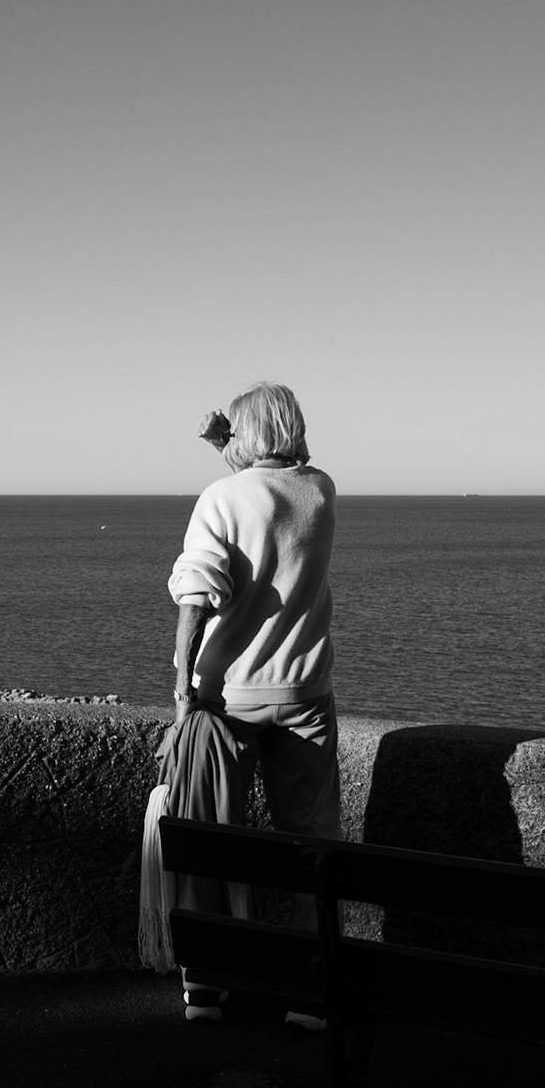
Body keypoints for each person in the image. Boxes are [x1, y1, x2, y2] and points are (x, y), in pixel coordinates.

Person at [167, 381, 340, 1029]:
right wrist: (234, 438)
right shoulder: (320, 493)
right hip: (302, 695)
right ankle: (310, 992)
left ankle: (208, 985)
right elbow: (278, 479)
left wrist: (183, 685)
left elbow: (197, 594)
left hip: (226, 697)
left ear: (243, 440)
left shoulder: (220, 498)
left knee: (211, 835)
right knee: (312, 840)